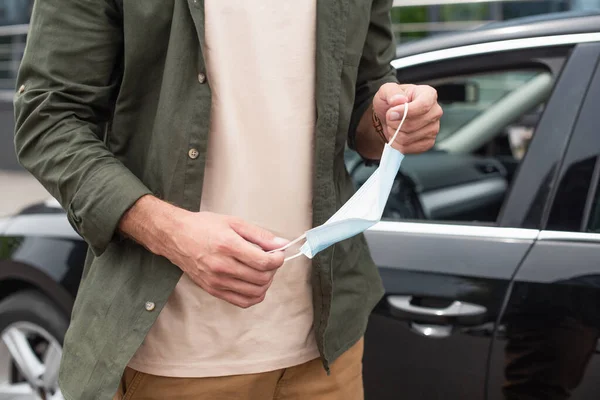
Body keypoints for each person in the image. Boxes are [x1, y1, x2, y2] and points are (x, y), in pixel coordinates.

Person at [14, 1, 442, 399]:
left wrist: (390, 119)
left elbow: (366, 95)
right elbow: (50, 119)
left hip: (329, 345)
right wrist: (171, 232)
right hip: (174, 358)